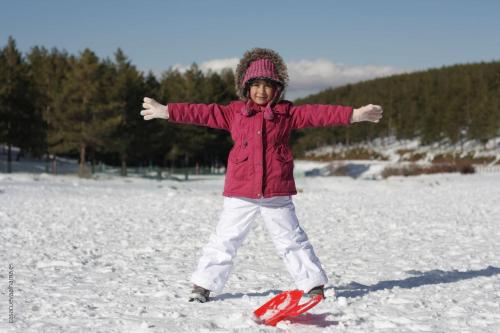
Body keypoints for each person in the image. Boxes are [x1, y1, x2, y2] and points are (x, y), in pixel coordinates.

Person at [140, 48, 383, 303]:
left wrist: (353, 115)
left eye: (268, 85)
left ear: (277, 88)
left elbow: (317, 114)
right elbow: (202, 112)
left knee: (291, 239)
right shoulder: (234, 113)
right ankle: (203, 286)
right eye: (255, 85)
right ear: (246, 88)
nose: (261, 91)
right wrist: (168, 111)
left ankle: (313, 284)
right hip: (241, 191)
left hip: (276, 191)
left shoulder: (286, 114)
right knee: (225, 239)